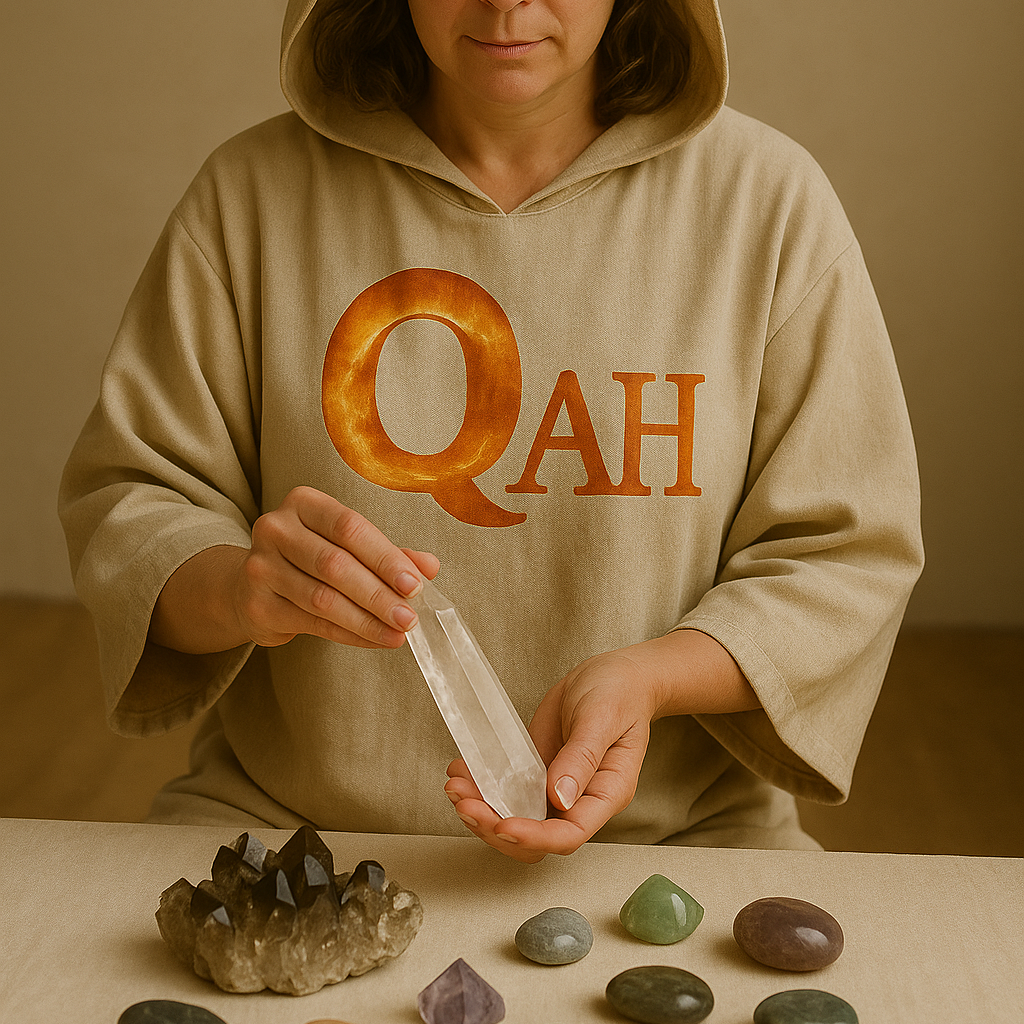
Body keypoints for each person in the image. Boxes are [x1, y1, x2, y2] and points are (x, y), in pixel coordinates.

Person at [59, 0, 924, 864]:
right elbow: (130, 504)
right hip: (284, 826)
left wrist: (654, 678)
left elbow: (844, 552)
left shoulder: (767, 204)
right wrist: (243, 588)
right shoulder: (246, 197)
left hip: (686, 835)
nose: (506, 5)